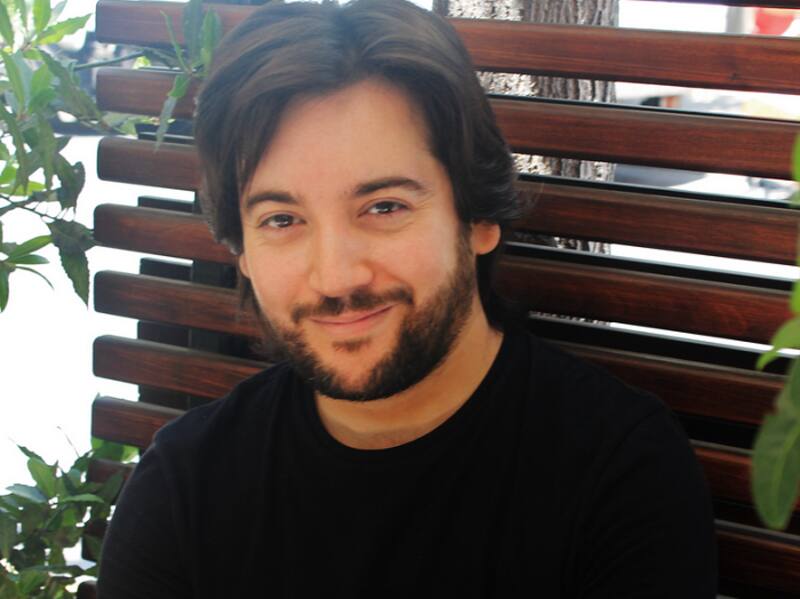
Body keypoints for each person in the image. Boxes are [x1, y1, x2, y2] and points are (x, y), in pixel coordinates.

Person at [97, 1, 717, 597]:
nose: (336, 277)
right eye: (282, 220)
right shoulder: (184, 485)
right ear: (243, 252)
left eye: (384, 207)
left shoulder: (619, 474)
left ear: (478, 217)